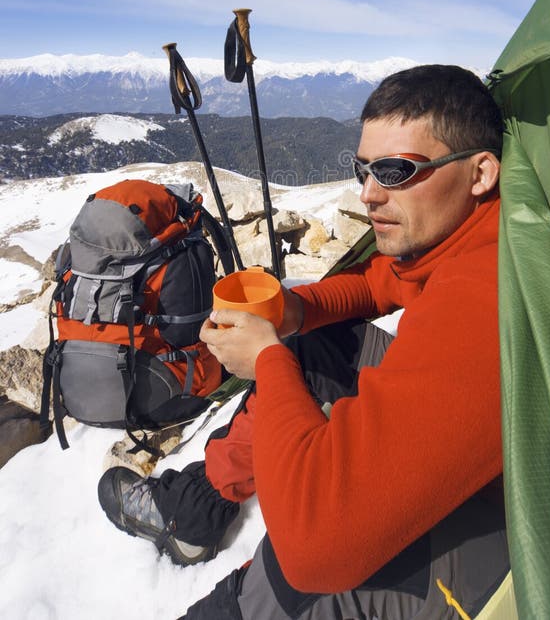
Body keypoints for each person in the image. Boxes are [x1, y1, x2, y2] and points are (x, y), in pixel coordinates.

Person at [98, 64, 508, 619]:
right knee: (313, 341)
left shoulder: (484, 296)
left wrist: (265, 361)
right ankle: (195, 511)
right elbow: (379, 283)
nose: (368, 194)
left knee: (293, 580)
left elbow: (317, 548)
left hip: (504, 540)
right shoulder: (472, 233)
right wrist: (297, 311)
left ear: (479, 172)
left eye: (394, 171)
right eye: (363, 169)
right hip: (486, 462)